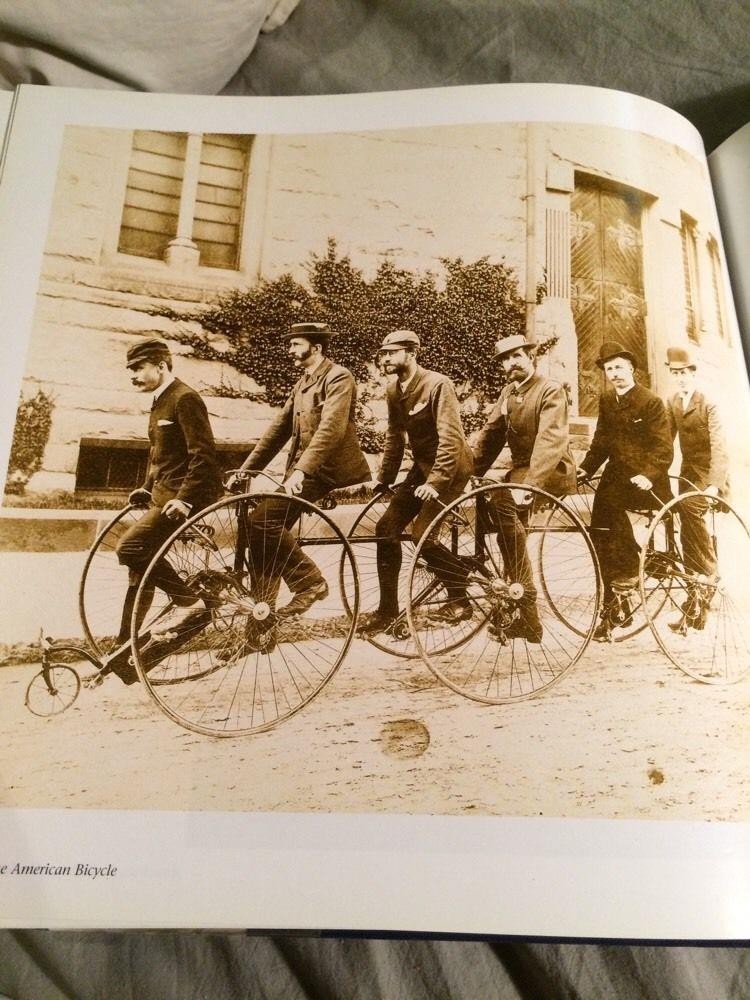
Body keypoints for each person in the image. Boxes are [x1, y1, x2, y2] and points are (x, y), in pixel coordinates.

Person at [103, 336, 222, 682]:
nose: (133, 375)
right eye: (130, 369)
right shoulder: (159, 400)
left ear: (161, 365)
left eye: (138, 368)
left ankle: (190, 602)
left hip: (187, 498)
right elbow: (161, 456)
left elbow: (203, 456)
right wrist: (146, 486)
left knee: (130, 547)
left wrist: (184, 499)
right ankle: (123, 649)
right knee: (139, 571)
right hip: (164, 495)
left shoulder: (185, 398)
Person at [234, 322, 370, 617]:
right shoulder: (303, 383)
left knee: (263, 521)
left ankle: (310, 582)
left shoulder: (339, 377)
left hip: (328, 470)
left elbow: (330, 431)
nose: (290, 350)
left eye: (296, 344)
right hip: (305, 471)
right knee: (261, 531)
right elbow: (278, 430)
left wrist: (301, 471)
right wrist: (245, 471)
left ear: (316, 348)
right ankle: (262, 621)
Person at [362, 330, 474, 634]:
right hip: (422, 469)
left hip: (450, 469)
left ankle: (460, 595)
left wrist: (436, 483)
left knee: (423, 536)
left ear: (411, 354)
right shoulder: (393, 390)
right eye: (383, 354)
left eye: (392, 353)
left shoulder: (437, 384)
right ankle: (387, 611)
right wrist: (384, 478)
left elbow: (451, 438)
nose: (385, 359)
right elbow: (395, 435)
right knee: (385, 529)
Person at [472, 333, 576, 642]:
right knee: (498, 514)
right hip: (521, 472)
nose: (511, 363)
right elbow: (491, 435)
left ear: (531, 357)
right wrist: (469, 473)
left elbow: (550, 440)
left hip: (551, 469)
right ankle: (522, 612)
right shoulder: (509, 392)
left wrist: (531, 485)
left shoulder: (550, 390)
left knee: (503, 502)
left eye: (517, 356)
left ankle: (525, 597)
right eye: (505, 359)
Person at [577, 341, 673, 640]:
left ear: (632, 369)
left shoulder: (651, 402)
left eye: (619, 367)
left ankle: (629, 575)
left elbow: (663, 448)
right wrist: (586, 468)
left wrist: (648, 474)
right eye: (609, 369)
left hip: (647, 480)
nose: (615, 374)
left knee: (613, 518)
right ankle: (615, 603)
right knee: (599, 530)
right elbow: (601, 441)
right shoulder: (607, 400)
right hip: (617, 477)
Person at [664, 345, 729, 630]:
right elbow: (665, 441)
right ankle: (694, 604)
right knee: (684, 530)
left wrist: (715, 485)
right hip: (688, 474)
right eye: (675, 374)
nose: (680, 378)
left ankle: (711, 571)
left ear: (693, 373)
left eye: (684, 373)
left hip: (710, 473)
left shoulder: (708, 403)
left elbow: (719, 446)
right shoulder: (673, 402)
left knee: (691, 510)